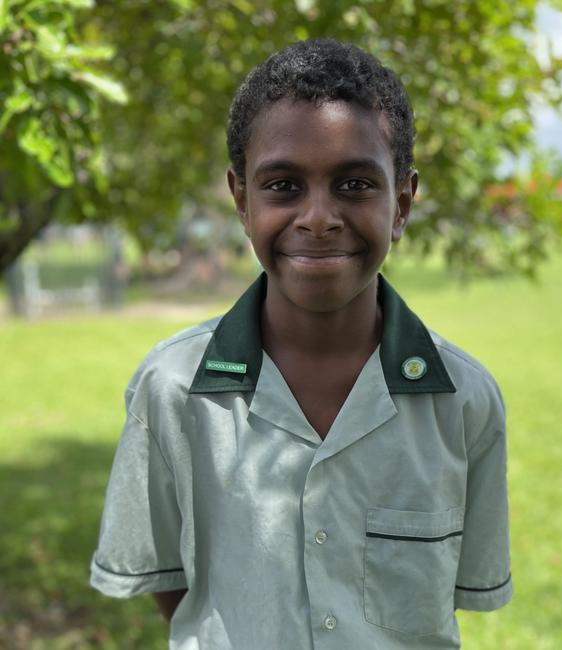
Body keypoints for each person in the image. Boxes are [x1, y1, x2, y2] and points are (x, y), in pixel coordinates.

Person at [90, 38, 512, 649]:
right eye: (284, 185)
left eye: (356, 184)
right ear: (241, 199)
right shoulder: (173, 389)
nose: (318, 217)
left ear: (404, 203)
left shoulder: (463, 400)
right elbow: (170, 582)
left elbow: (455, 590)